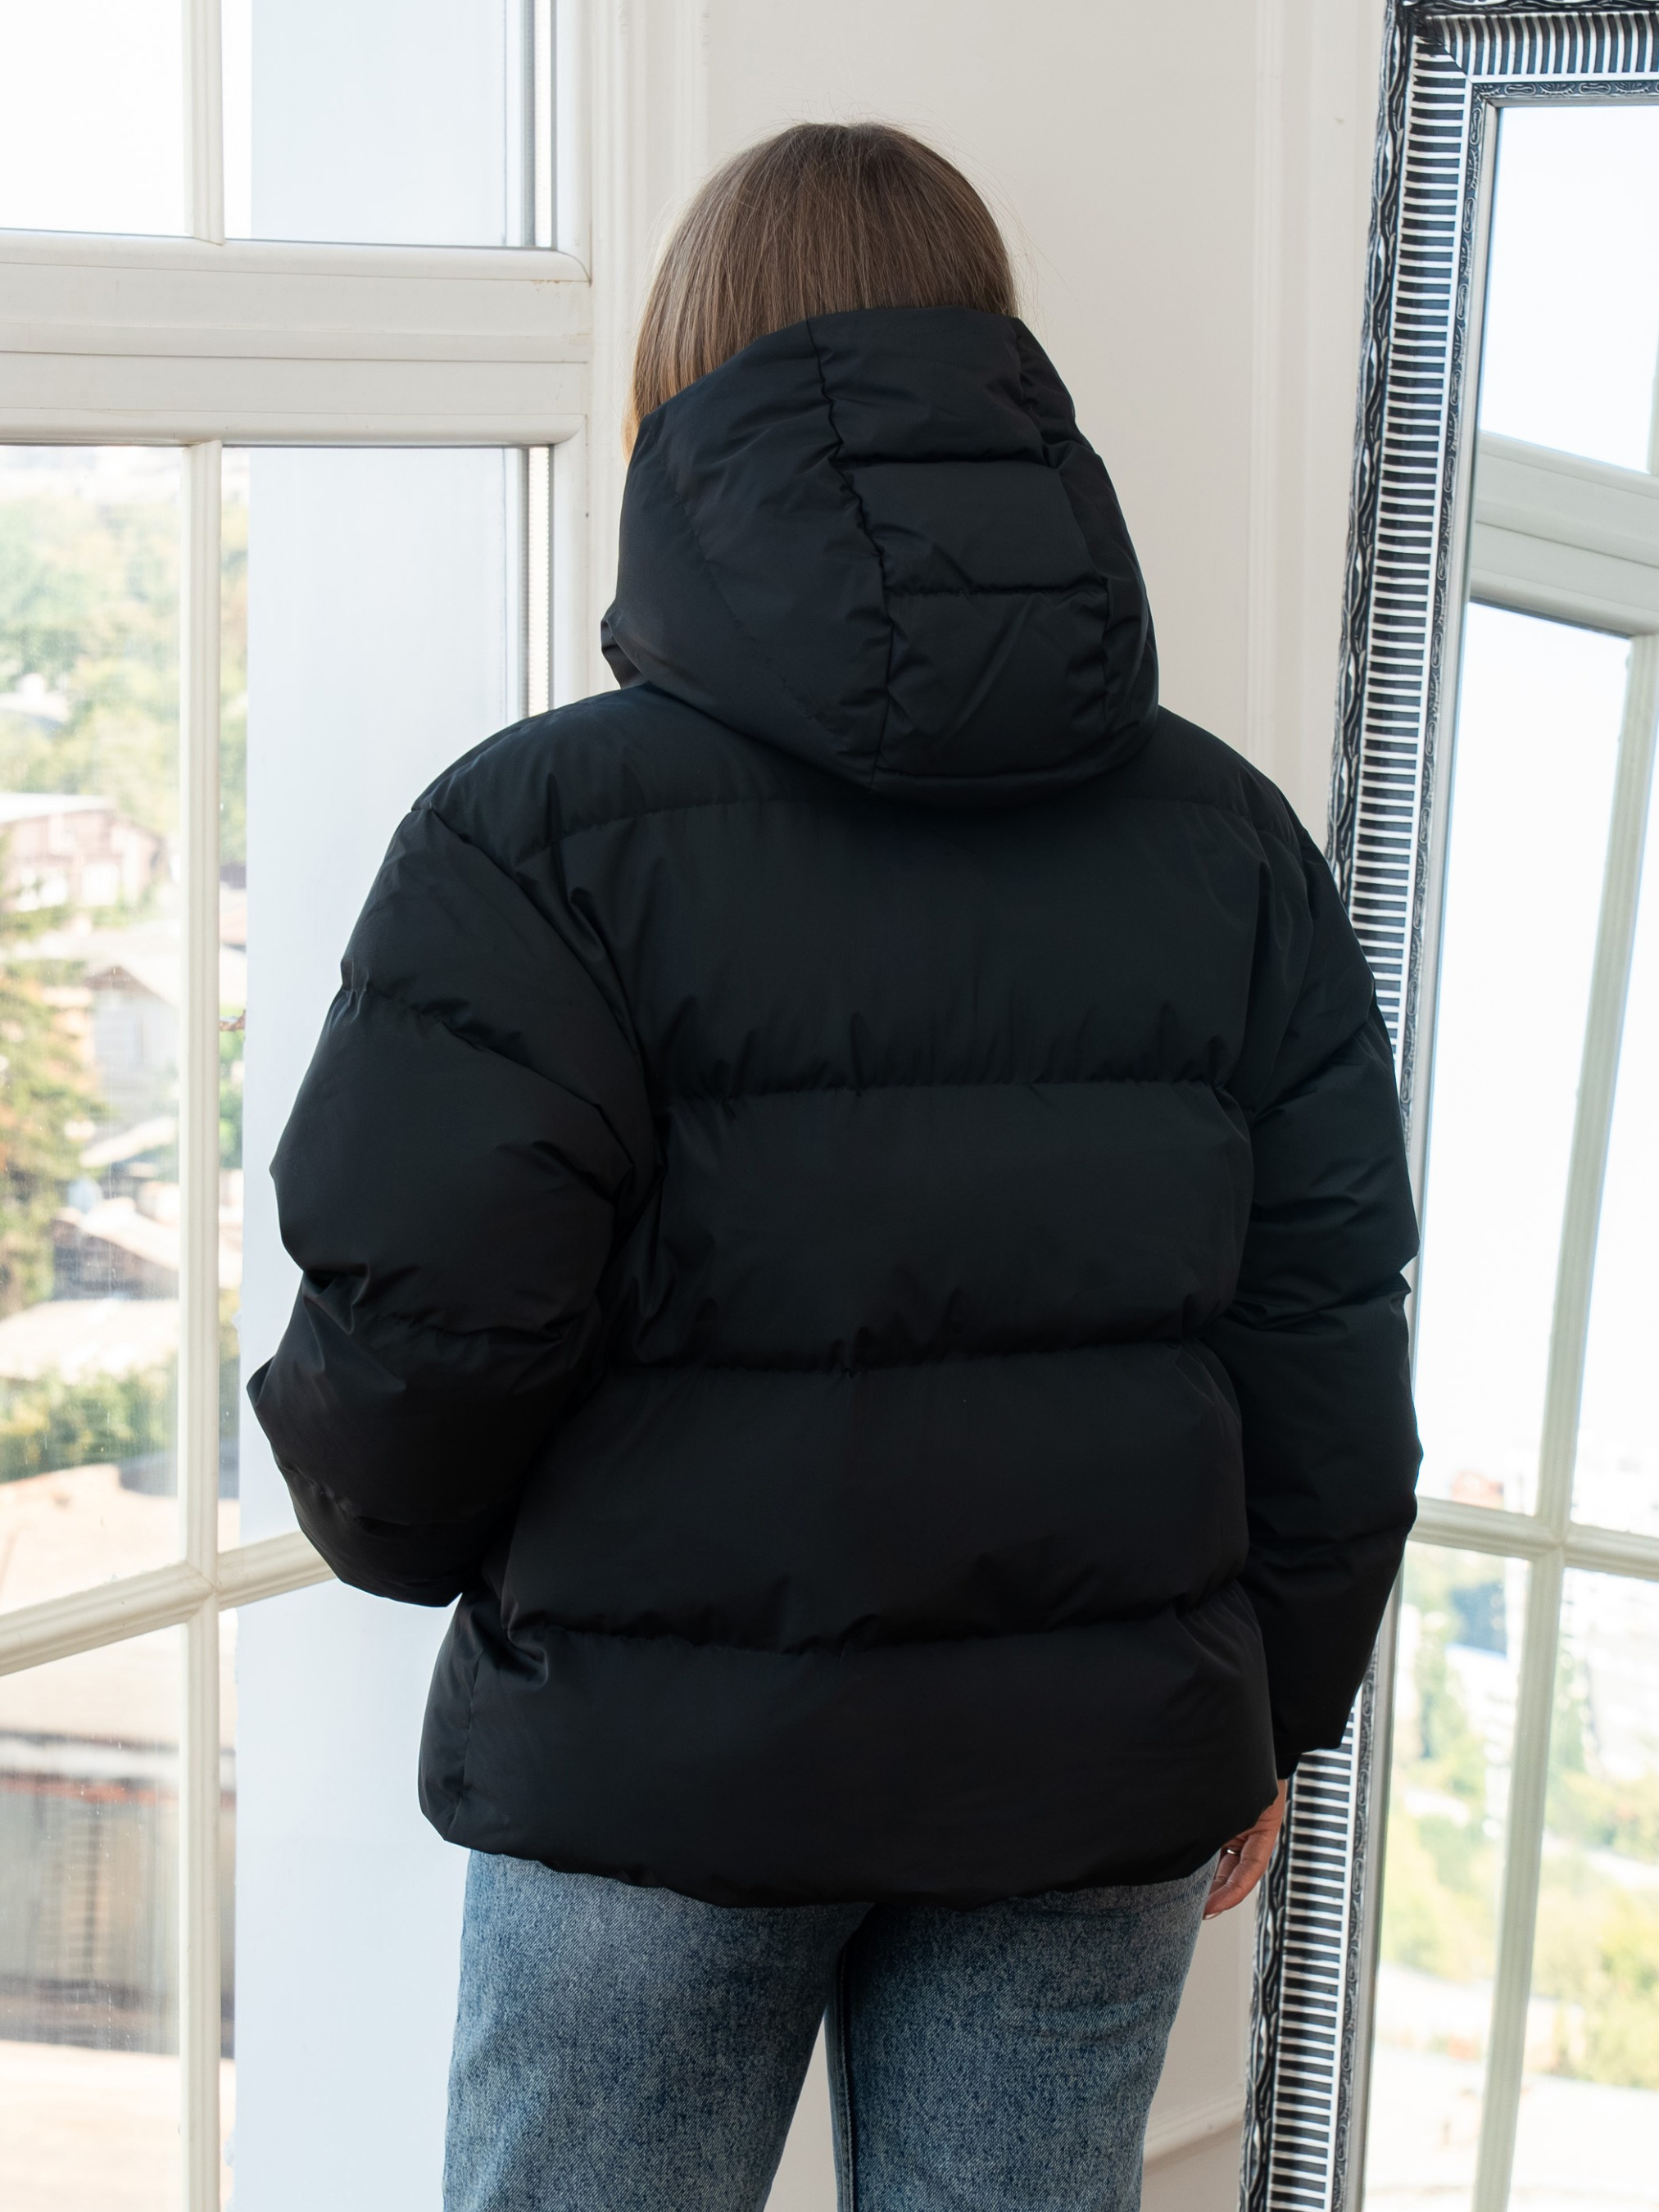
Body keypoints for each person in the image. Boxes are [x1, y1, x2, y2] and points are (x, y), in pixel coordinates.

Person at [250, 121, 1420, 2212]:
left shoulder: (537, 836)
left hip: (649, 1772)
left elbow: (419, 1342)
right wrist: (1277, 1699)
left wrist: (410, 1539)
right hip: (1092, 1776)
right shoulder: (1228, 843)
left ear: (678, 383)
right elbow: (1325, 1331)